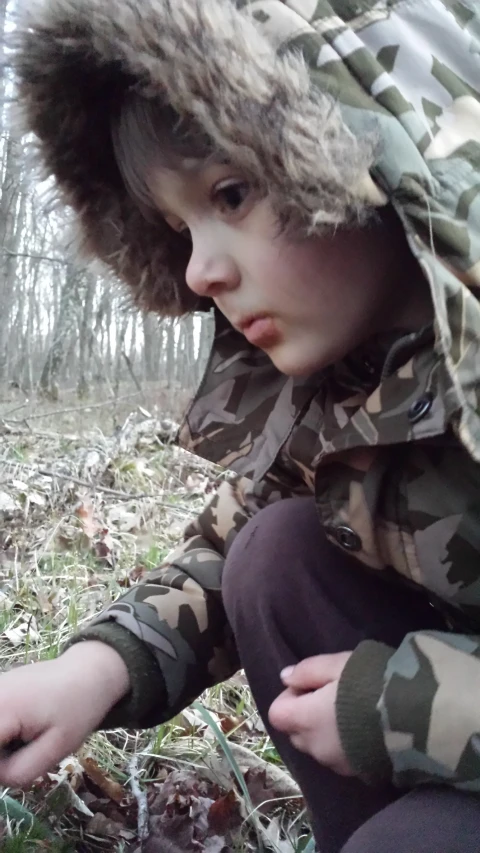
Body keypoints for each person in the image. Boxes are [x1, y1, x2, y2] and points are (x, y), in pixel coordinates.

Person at [2, 1, 480, 850]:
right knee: (274, 549)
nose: (199, 270)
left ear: (377, 148)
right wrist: (90, 671)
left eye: (233, 193)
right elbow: (228, 551)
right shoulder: (338, 391)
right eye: (180, 228)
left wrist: (402, 705)